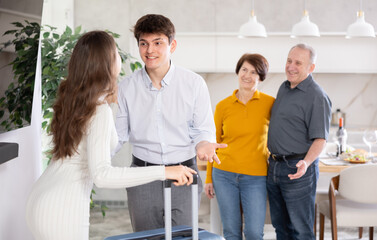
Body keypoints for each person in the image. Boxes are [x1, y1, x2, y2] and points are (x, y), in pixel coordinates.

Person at [25, 31, 197, 240]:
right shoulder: (98, 110)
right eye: (115, 53)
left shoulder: (75, 100)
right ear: (105, 63)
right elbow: (102, 175)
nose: (119, 58)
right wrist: (165, 171)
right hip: (64, 206)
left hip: (41, 197)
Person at [114, 14, 227, 232]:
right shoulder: (127, 87)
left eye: (158, 43)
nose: (150, 50)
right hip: (142, 176)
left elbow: (203, 128)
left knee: (184, 236)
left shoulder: (194, 83)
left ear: (172, 45)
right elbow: (118, 136)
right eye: (144, 44)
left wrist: (203, 143)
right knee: (146, 238)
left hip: (184, 175)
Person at [204, 53, 275, 240]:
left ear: (261, 77)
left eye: (254, 72)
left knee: (253, 232)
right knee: (231, 232)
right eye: (244, 69)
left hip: (256, 177)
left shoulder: (270, 104)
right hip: (224, 174)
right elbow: (213, 143)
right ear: (238, 71)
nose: (247, 75)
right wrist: (209, 177)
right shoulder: (223, 106)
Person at [267, 43, 332, 240]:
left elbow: (320, 138)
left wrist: (306, 162)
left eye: (298, 63)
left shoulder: (317, 96)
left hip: (298, 169)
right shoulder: (284, 87)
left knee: (301, 230)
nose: (291, 66)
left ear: (311, 68)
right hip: (275, 166)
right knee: (281, 227)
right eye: (289, 60)